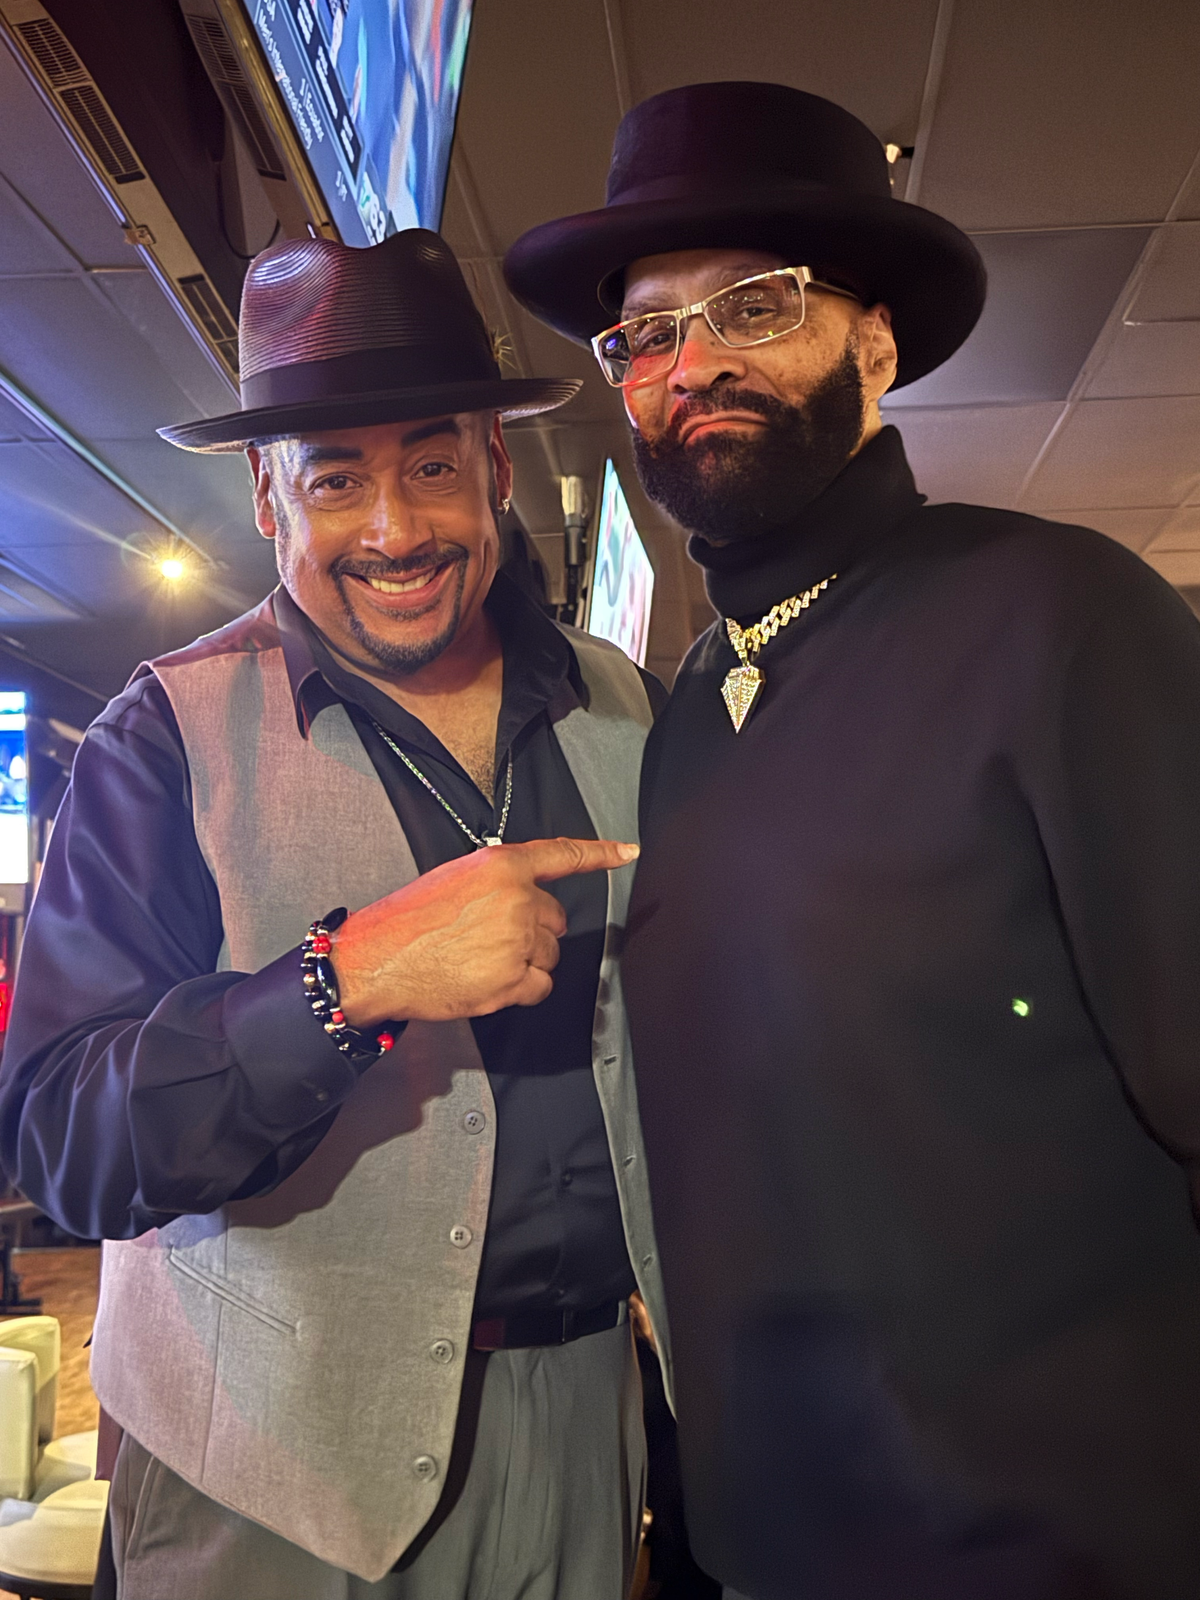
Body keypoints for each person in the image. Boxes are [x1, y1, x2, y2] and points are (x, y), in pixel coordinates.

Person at [504, 80, 1200, 1600]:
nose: (696, 362)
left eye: (755, 307)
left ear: (872, 343)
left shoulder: (1060, 615)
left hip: (1050, 1543)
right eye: (647, 334)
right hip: (762, 1536)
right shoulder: (694, 704)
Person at [0, 229, 670, 1600]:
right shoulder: (162, 738)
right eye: (336, 478)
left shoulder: (626, 704)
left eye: (431, 465)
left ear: (494, 465)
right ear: (268, 495)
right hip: (274, 1473)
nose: (395, 530)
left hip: (584, 1423)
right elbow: (63, 1136)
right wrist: (343, 981)